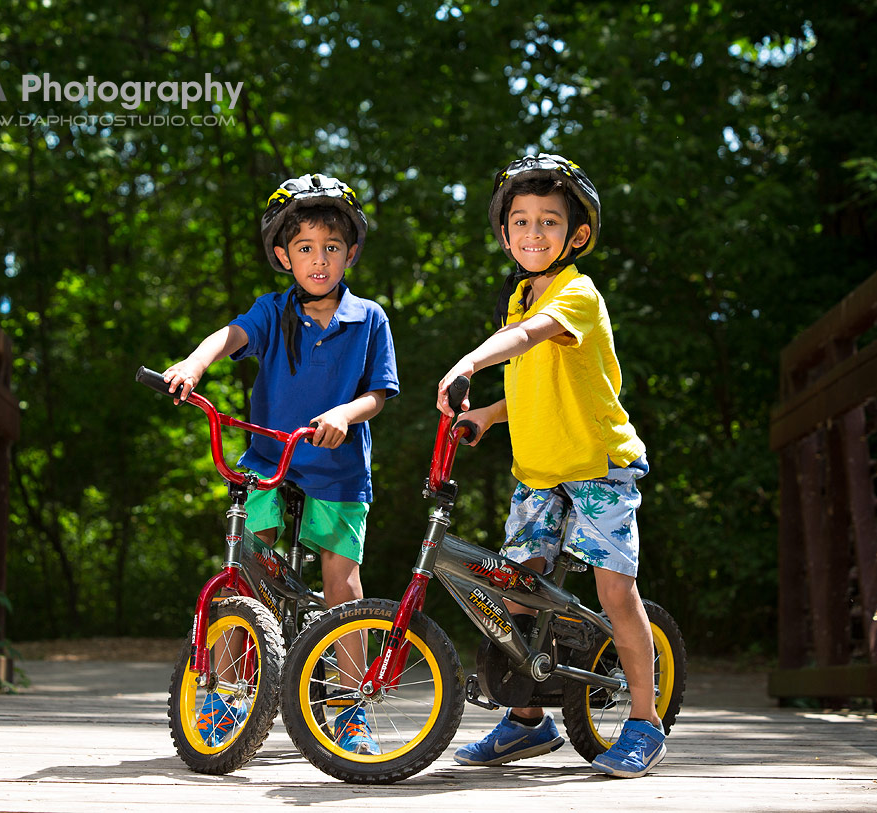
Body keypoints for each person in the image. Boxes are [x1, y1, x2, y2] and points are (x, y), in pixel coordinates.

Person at [436, 153, 665, 778]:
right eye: (520, 222)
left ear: (576, 236)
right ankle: (527, 722)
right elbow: (538, 383)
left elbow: (531, 339)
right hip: (538, 470)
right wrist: (487, 412)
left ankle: (644, 721)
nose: (533, 234)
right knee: (517, 591)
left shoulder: (575, 295)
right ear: (505, 232)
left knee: (615, 593)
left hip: (597, 466)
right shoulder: (519, 296)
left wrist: (470, 363)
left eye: (548, 222)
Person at [164, 172, 399, 755]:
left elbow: (379, 393)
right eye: (305, 249)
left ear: (350, 254)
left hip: (339, 468)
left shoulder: (369, 317)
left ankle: (350, 707)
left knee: (341, 584)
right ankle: (227, 700)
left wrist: (346, 414)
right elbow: (228, 336)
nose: (319, 261)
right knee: (246, 577)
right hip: (269, 459)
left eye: (331, 248)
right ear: (282, 255)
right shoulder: (272, 311)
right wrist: (194, 365)